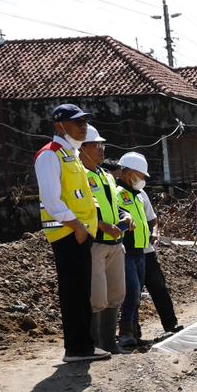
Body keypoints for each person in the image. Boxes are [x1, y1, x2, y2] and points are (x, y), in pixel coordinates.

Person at [35, 103, 108, 363]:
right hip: (67, 233)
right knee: (73, 292)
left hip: (81, 233)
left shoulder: (71, 155)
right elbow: (52, 201)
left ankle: (84, 345)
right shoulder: (49, 155)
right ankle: (76, 348)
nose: (83, 127)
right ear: (59, 125)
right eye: (77, 122)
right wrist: (77, 226)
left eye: (85, 122)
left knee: (81, 292)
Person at [80, 125, 126, 354]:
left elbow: (114, 204)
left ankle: (110, 343)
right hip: (96, 243)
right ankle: (95, 345)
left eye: (101, 144)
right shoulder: (80, 175)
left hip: (115, 244)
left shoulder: (105, 176)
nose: (101, 149)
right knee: (97, 296)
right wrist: (102, 225)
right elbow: (81, 208)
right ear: (83, 148)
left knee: (116, 294)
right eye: (96, 145)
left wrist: (124, 217)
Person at [115, 152, 152, 349]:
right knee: (132, 291)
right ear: (129, 173)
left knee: (138, 292)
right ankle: (125, 333)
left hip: (140, 250)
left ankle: (135, 333)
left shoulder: (136, 196)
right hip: (126, 249)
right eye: (141, 175)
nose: (143, 179)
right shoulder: (118, 193)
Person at [139, 187, 182, 340]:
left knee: (158, 287)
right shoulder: (116, 191)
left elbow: (152, 218)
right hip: (128, 252)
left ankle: (171, 324)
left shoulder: (140, 193)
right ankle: (131, 333)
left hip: (146, 250)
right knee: (132, 293)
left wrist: (155, 232)